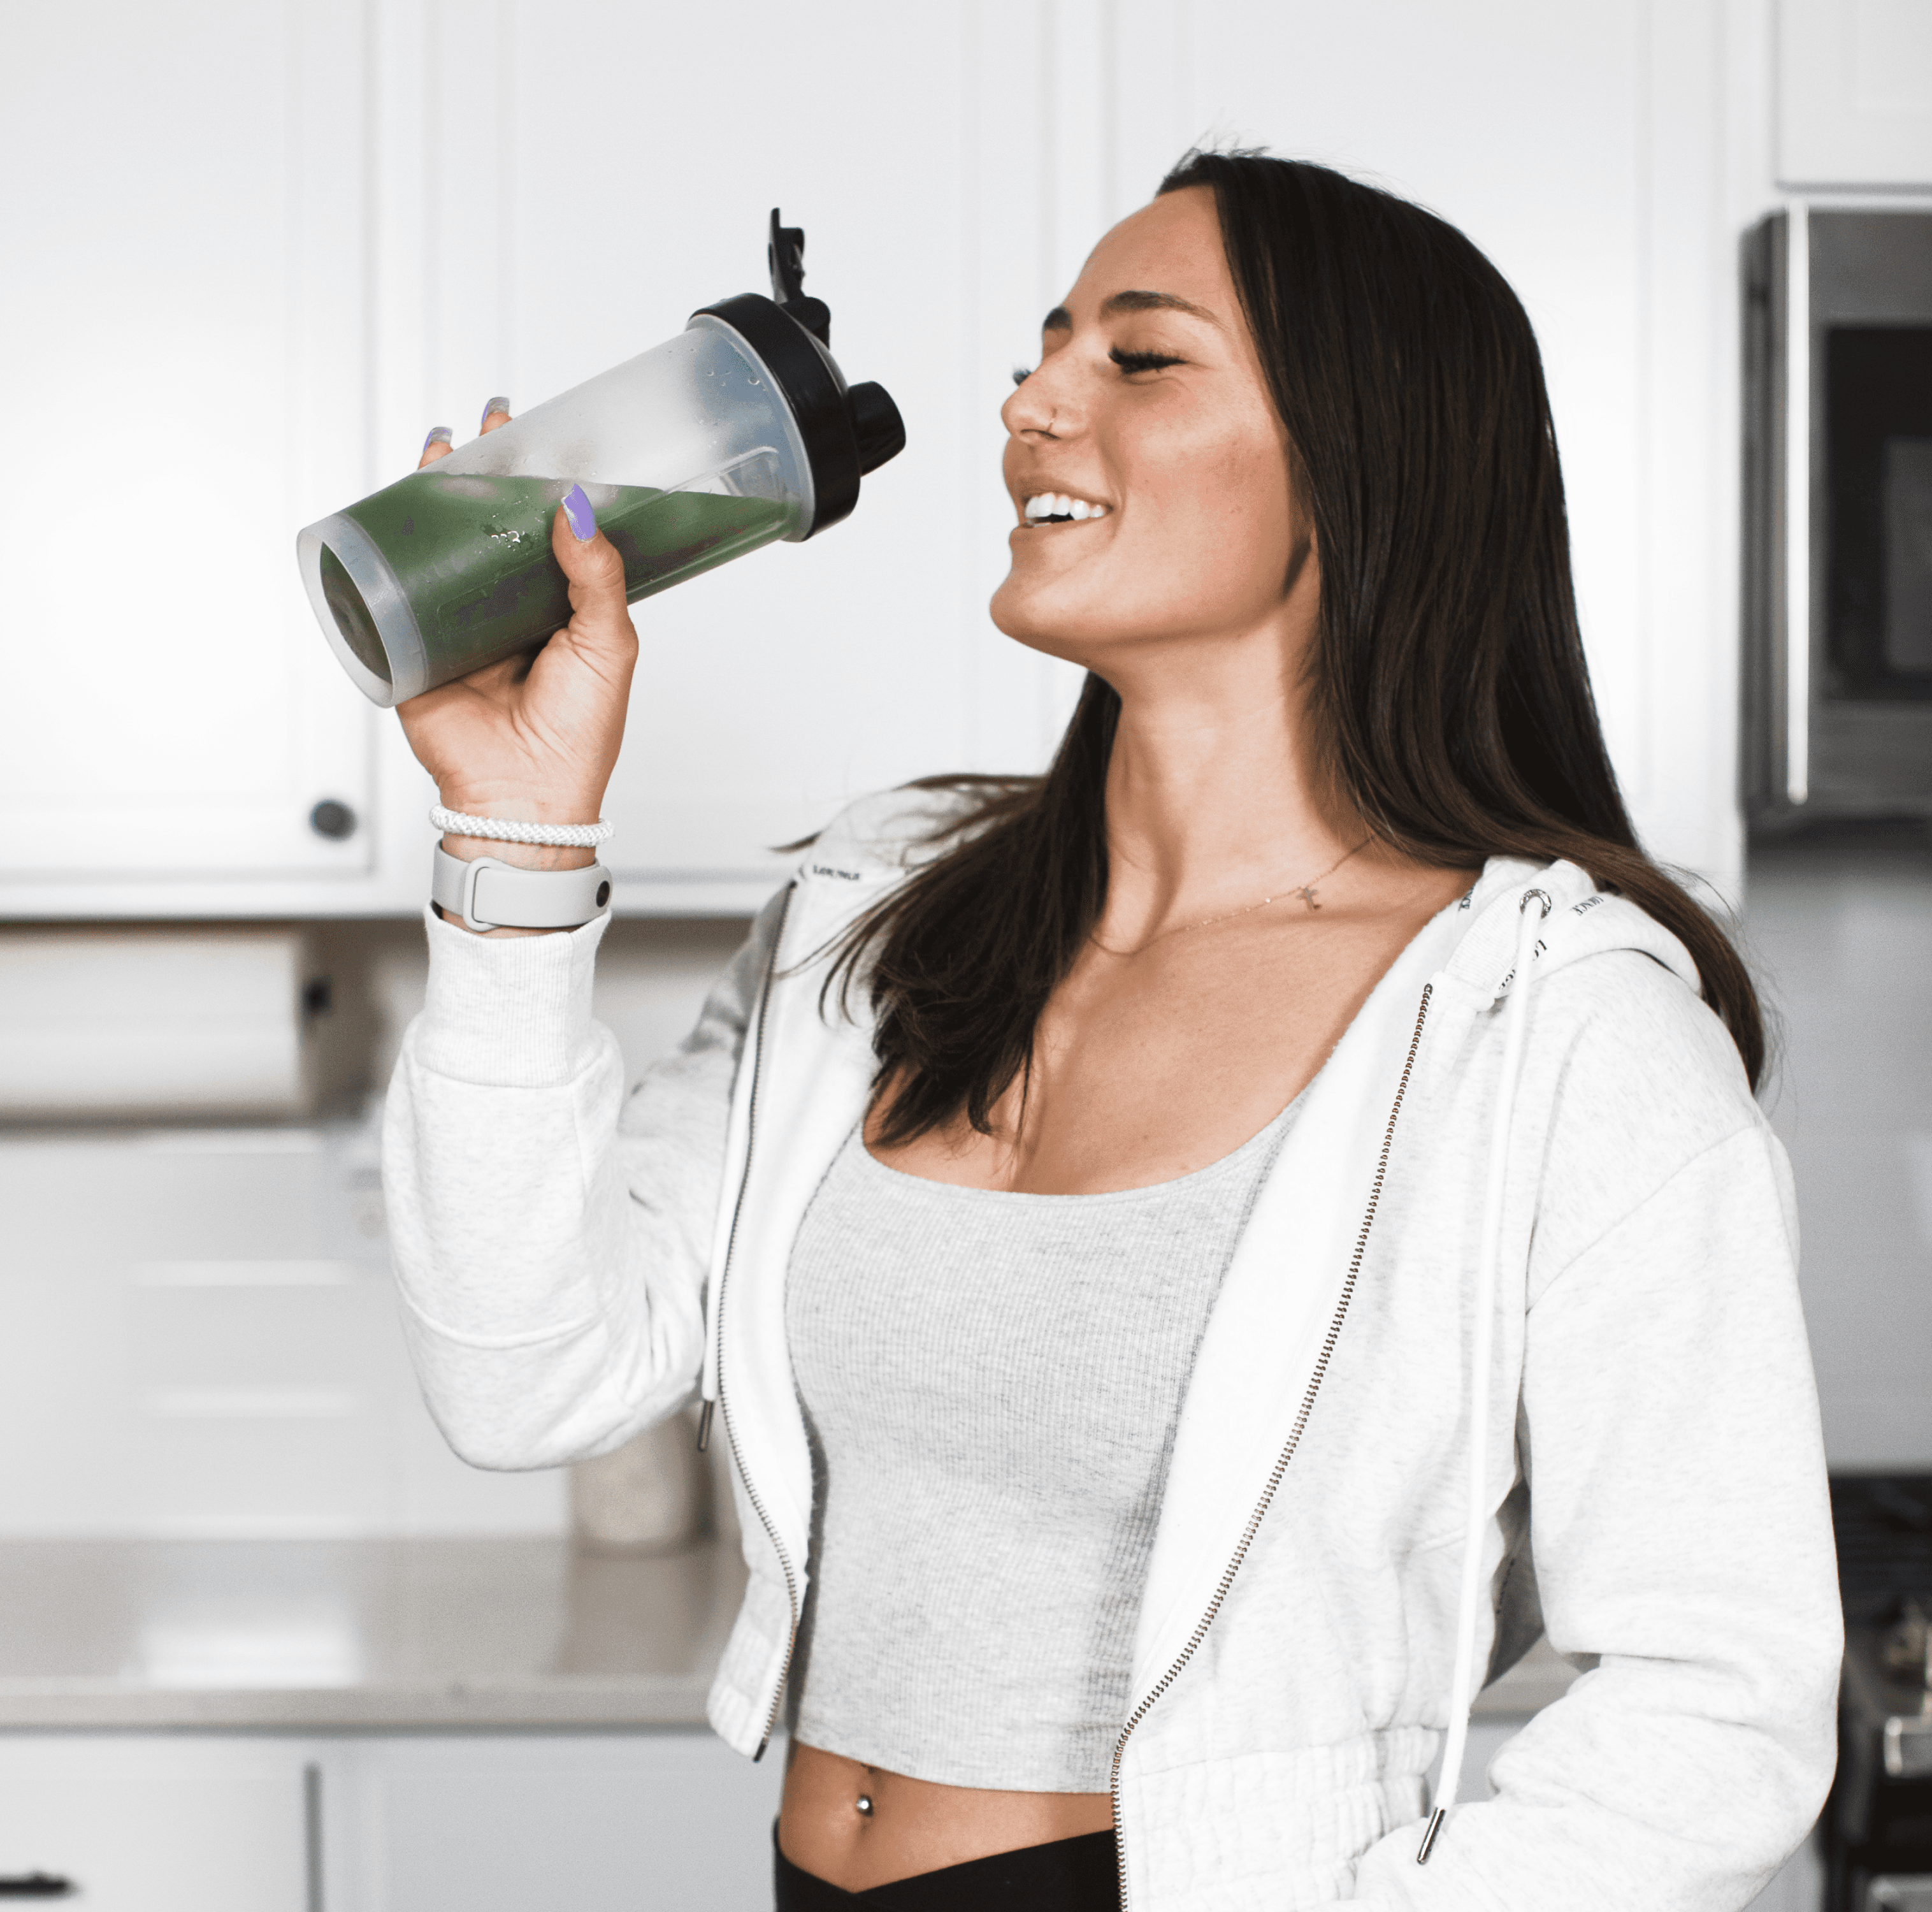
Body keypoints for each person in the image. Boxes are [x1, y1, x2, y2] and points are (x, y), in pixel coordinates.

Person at [382, 150, 1841, 1909]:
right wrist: (516, 840)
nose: (1029, 401)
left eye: (1139, 360)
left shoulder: (1551, 1030)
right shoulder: (880, 919)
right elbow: (522, 1367)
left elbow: (1724, 1702)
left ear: (1360, 463)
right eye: (1046, 344)